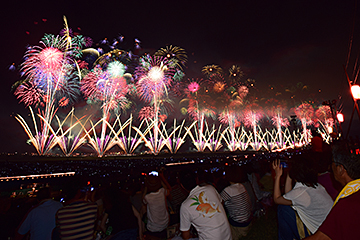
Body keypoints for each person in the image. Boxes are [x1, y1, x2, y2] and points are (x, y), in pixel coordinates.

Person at [305, 142, 360, 240]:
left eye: (332, 164)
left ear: (340, 169)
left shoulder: (347, 204)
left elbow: (321, 238)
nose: (330, 168)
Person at [273, 153, 333, 240]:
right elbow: (289, 196)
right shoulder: (316, 187)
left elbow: (277, 199)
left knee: (282, 209)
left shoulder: (301, 192)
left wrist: (278, 176)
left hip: (317, 235)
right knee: (287, 207)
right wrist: (290, 175)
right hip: (328, 232)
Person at [179, 170, 231, 240]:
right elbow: (221, 203)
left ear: (182, 186)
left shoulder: (185, 206)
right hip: (227, 236)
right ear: (197, 179)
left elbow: (186, 236)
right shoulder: (210, 188)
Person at [221, 166, 252, 240]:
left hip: (238, 224)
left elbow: (217, 204)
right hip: (248, 220)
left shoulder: (228, 190)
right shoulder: (241, 186)